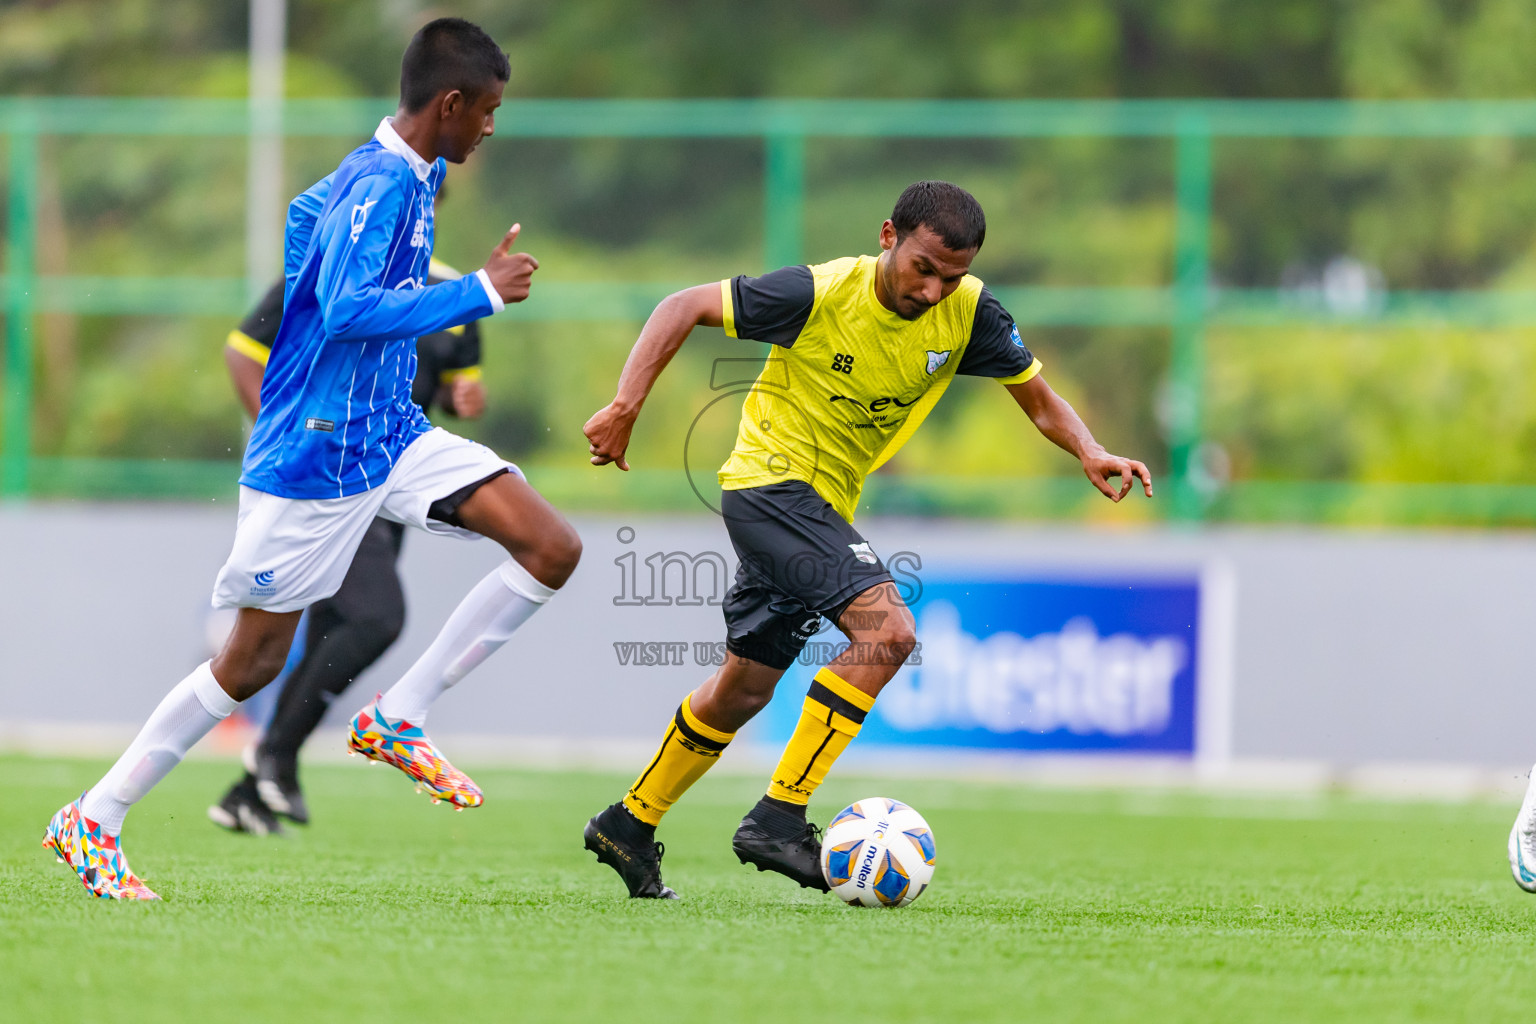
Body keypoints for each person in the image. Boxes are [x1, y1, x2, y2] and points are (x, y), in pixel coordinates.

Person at [43, 17, 581, 901]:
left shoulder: (414, 171)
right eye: (486, 111)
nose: (491, 127)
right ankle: (94, 817)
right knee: (251, 663)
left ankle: (399, 717)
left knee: (552, 546)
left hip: (389, 433)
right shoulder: (379, 180)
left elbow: (303, 221)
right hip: (315, 457)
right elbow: (339, 307)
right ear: (449, 104)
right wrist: (476, 290)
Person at [580, 180, 1153, 899]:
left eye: (953, 275)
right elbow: (681, 306)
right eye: (924, 268)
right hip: (769, 486)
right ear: (889, 236)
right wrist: (627, 404)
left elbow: (1038, 399)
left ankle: (627, 824)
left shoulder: (971, 312)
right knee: (889, 631)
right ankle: (779, 816)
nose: (936, 289)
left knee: (743, 690)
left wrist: (1090, 449)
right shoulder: (817, 294)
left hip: (820, 504)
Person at [210, 238, 489, 836]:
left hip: (392, 486)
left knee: (334, 631)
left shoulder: (456, 287)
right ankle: (266, 762)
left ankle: (255, 783)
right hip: (328, 476)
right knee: (376, 618)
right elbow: (242, 354)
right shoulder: (332, 263)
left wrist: (462, 399)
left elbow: (454, 390)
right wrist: (287, 444)